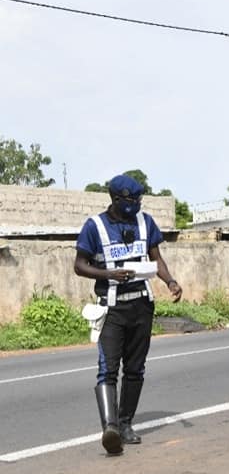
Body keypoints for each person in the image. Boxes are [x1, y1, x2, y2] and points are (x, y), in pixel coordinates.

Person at [74, 174, 182, 455]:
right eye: (130, 201)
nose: (135, 205)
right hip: (111, 307)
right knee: (108, 368)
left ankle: (126, 424)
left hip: (142, 306)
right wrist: (109, 273)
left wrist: (170, 281)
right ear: (116, 200)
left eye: (138, 200)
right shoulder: (94, 226)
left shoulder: (145, 222)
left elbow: (156, 258)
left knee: (135, 368)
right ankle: (109, 427)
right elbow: (79, 265)